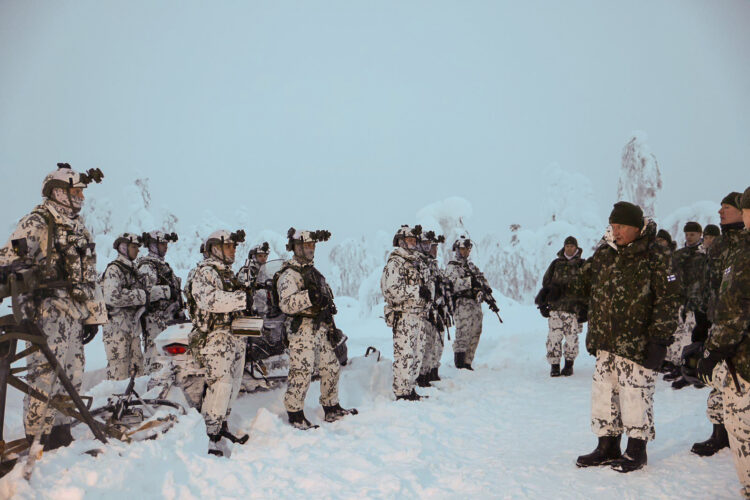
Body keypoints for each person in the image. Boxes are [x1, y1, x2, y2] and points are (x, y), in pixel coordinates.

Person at [0, 163, 106, 449]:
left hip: (74, 313)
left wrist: (94, 317)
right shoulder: (38, 221)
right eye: (76, 192)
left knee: (71, 375)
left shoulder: (78, 227)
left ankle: (61, 430)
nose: (81, 198)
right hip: (47, 312)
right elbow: (7, 260)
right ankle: (39, 437)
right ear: (59, 192)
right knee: (44, 376)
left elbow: (90, 275)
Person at [573, 201, 679, 473]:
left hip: (638, 342)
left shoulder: (656, 254)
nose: (615, 231)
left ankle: (636, 450)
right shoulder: (606, 253)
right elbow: (585, 282)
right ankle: (607, 446)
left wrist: (659, 339)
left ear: (635, 226)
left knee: (635, 395)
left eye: (620, 226)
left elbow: (667, 300)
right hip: (606, 341)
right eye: (612, 226)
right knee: (604, 394)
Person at [696, 186, 750, 498]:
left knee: (742, 422)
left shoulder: (743, 249)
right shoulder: (723, 246)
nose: (722, 212)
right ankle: (719, 433)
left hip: (737, 347)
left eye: (731, 208)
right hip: (723, 328)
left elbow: (736, 301)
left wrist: (716, 347)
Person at [276, 228, 356, 428]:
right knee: (301, 371)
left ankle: (331, 408)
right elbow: (286, 304)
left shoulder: (314, 273)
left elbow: (325, 302)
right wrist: (309, 297)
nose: (310, 249)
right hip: (301, 329)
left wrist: (330, 326)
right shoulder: (289, 275)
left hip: (319, 328)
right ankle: (295, 414)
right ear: (295, 248)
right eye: (306, 245)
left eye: (312, 245)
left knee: (331, 366)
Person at [186, 229, 250, 455]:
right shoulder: (204, 272)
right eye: (229, 246)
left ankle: (221, 425)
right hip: (216, 336)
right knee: (220, 385)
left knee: (231, 385)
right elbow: (209, 300)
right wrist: (242, 298)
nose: (233, 250)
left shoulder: (228, 274)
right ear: (215, 248)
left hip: (234, 336)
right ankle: (209, 436)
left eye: (234, 246)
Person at [101, 233, 170, 379]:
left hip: (132, 329)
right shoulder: (114, 270)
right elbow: (112, 297)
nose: (138, 250)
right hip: (117, 330)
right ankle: (115, 401)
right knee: (118, 374)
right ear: (123, 247)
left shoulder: (134, 271)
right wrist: (141, 296)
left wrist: (159, 292)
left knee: (137, 373)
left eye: (138, 247)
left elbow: (146, 291)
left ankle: (133, 401)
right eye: (134, 247)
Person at [381, 225, 430, 400]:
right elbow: (391, 290)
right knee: (405, 356)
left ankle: (410, 388)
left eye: (414, 240)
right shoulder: (395, 262)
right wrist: (417, 291)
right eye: (409, 240)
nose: (412, 243)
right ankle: (402, 392)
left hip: (418, 315)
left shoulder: (416, 263)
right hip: (404, 315)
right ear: (400, 242)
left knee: (417, 354)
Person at [536, 236, 586, 377]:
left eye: (572, 246)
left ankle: (569, 365)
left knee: (572, 339)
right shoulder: (556, 264)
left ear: (577, 248)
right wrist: (543, 303)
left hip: (573, 310)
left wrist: (585, 309)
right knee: (554, 338)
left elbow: (589, 287)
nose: (569, 248)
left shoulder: (582, 264)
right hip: (556, 308)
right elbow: (546, 283)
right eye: (567, 246)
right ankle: (555, 366)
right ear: (564, 247)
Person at [136, 230, 185, 372]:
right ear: (153, 245)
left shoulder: (163, 266)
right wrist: (168, 291)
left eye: (166, 244)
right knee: (155, 359)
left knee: (169, 361)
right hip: (155, 322)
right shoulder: (147, 266)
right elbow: (145, 292)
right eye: (162, 244)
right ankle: (151, 389)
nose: (166, 247)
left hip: (169, 321)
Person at [666, 222, 706, 389]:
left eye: (692, 234)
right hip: (680, 301)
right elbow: (670, 275)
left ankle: (692, 371)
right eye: (687, 234)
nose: (689, 237)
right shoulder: (678, 255)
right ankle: (679, 367)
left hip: (699, 303)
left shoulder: (704, 255)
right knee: (679, 335)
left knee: (693, 337)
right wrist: (672, 288)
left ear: (699, 234)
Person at [445, 236, 493, 370]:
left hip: (475, 303)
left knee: (476, 331)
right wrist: (471, 282)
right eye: (462, 249)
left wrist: (483, 290)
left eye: (467, 249)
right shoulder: (452, 266)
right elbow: (454, 284)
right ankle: (460, 365)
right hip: (462, 303)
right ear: (457, 250)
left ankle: (468, 362)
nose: (465, 252)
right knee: (463, 333)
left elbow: (483, 281)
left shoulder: (472, 267)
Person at [416, 230, 446, 387]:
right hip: (424, 311)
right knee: (426, 344)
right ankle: (422, 376)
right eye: (429, 246)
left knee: (436, 342)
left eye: (434, 246)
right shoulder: (419, 263)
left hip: (436, 309)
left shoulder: (433, 265)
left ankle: (431, 371)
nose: (434, 250)